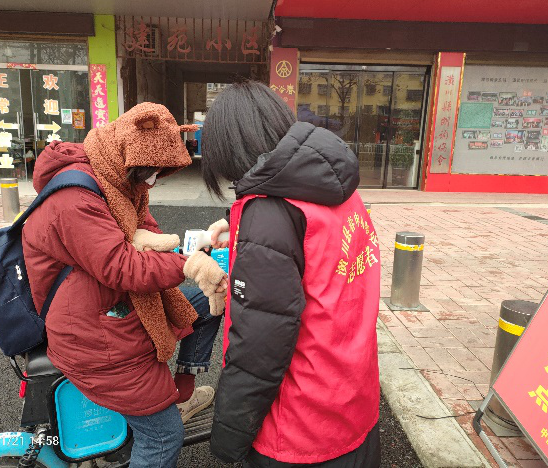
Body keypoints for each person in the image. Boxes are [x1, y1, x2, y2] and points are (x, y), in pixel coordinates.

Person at [22, 103, 227, 468]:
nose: (152, 181)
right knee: (164, 436)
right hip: (92, 334)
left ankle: (182, 391)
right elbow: (123, 267)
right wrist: (189, 264)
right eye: (151, 172)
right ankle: (162, 416)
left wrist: (181, 251)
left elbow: (146, 228)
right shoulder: (74, 199)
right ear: (131, 154)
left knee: (206, 302)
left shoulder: (114, 176)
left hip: (111, 306)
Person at [201, 81, 382, 467]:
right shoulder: (337, 188)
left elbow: (258, 346)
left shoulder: (269, 214)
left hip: (300, 427)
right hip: (353, 401)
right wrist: (237, 224)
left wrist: (229, 434)